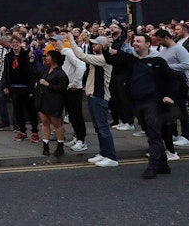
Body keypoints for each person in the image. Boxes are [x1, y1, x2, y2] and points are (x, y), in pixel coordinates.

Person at [105, 34, 181, 179]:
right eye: (134, 41)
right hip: (137, 102)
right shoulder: (131, 60)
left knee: (153, 134)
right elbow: (111, 60)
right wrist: (104, 49)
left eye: (138, 41)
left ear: (147, 44)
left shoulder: (157, 61)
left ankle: (153, 166)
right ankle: (163, 165)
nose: (135, 43)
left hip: (153, 102)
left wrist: (169, 96)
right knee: (149, 132)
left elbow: (172, 79)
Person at [73, 36, 119, 167]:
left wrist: (70, 39)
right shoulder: (98, 57)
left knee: (103, 128)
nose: (93, 46)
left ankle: (111, 157)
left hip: (99, 97)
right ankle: (104, 153)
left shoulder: (103, 59)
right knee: (98, 128)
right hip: (93, 96)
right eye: (92, 44)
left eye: (96, 44)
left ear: (102, 46)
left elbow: (81, 56)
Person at [35, 49, 68, 158]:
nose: (46, 58)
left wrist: (48, 84)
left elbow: (62, 88)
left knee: (57, 124)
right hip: (43, 100)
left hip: (54, 102)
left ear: (54, 59)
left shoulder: (60, 73)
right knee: (45, 122)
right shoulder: (45, 69)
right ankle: (45, 146)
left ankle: (60, 146)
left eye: (48, 56)